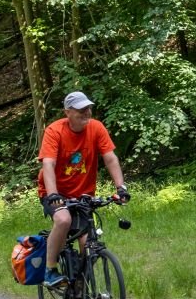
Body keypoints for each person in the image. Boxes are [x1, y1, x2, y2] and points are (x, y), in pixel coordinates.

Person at [37, 91, 128, 287]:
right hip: (54, 193)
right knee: (63, 220)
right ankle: (50, 270)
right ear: (67, 112)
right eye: (80, 109)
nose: (86, 112)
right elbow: (48, 165)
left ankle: (80, 287)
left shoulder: (96, 128)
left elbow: (110, 158)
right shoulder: (54, 131)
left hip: (83, 195)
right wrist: (53, 195)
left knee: (88, 244)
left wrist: (121, 188)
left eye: (88, 108)